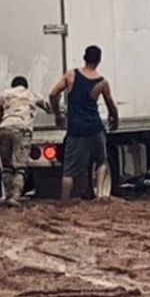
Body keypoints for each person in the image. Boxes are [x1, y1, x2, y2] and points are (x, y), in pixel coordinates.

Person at [50, 45, 119, 204]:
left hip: (76, 129)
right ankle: (101, 195)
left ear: (84, 57)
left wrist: (57, 114)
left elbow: (53, 94)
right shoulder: (101, 82)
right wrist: (115, 119)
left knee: (69, 170)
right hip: (95, 128)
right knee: (101, 160)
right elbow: (111, 105)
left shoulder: (71, 75)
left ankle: (65, 201)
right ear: (99, 60)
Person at [0, 76, 52, 207]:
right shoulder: (32, 94)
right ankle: (15, 196)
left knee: (7, 166)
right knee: (20, 166)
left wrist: (4, 120)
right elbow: (48, 107)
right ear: (25, 86)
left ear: (12, 85)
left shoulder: (4, 94)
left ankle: (8, 195)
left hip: (4, 129)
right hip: (22, 130)